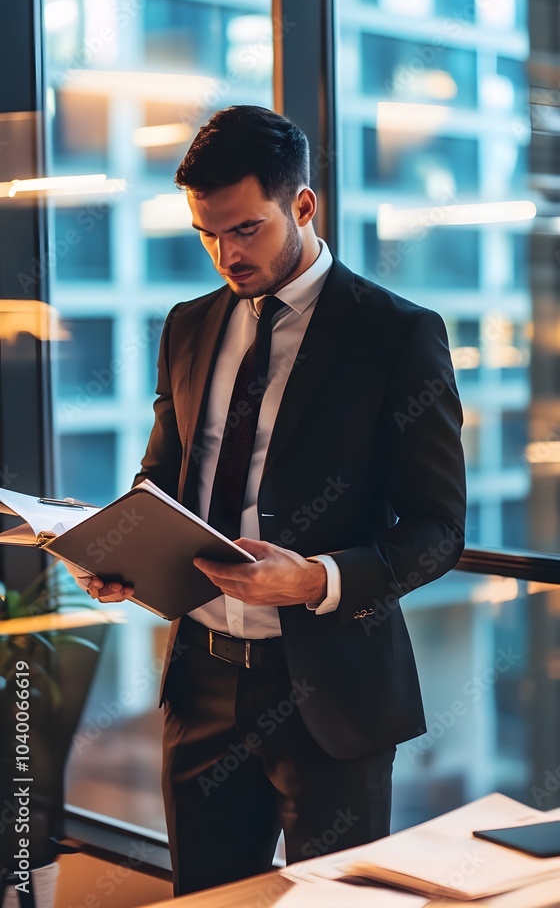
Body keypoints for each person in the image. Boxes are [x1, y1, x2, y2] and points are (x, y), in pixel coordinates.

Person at [85, 105, 466, 895]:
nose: (225, 253)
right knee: (206, 897)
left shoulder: (396, 334)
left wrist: (316, 579)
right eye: (206, 232)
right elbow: (161, 481)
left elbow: (439, 530)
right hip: (203, 687)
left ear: (302, 206)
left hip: (331, 698)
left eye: (245, 229)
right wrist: (121, 554)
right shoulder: (189, 326)